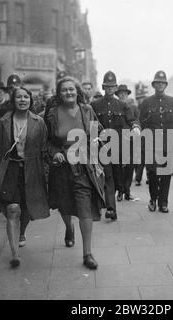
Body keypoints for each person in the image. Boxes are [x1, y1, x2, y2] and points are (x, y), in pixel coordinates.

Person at [46, 76, 106, 270]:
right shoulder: (53, 113)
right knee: (64, 204)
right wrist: (54, 153)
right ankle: (68, 228)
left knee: (84, 207)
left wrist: (96, 153)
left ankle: (87, 253)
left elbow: (98, 134)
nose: (68, 93)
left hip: (83, 166)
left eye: (71, 89)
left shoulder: (87, 110)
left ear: (77, 91)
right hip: (62, 168)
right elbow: (47, 140)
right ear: (59, 93)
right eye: (64, 90)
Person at [0, 87, 50, 268]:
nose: (23, 100)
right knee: (13, 209)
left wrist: (46, 173)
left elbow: (44, 150)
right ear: (13, 100)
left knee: (26, 208)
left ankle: (22, 231)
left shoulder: (38, 122)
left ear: (30, 100)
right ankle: (14, 253)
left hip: (32, 169)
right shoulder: (4, 121)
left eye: (26, 97)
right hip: (10, 168)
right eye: (19, 97)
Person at [91, 71, 140, 220]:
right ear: (103, 87)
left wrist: (136, 127)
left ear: (116, 87)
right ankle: (110, 208)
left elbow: (132, 120)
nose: (110, 89)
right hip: (102, 147)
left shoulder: (123, 105)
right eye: (107, 86)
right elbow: (92, 124)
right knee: (108, 177)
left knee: (118, 178)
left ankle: (115, 200)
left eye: (112, 86)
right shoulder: (94, 105)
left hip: (118, 147)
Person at [139, 71, 173, 213]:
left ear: (165, 85)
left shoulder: (172, 101)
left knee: (166, 173)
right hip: (151, 143)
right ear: (154, 85)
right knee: (152, 173)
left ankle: (163, 202)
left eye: (162, 83)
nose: (160, 85)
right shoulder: (146, 102)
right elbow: (141, 122)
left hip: (168, 142)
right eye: (157, 83)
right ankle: (153, 199)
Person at [114, 84, 140, 201]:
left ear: (128, 94)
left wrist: (137, 129)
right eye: (120, 93)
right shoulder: (115, 107)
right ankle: (120, 190)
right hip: (117, 139)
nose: (123, 95)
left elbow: (137, 121)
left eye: (125, 93)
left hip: (131, 140)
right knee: (119, 166)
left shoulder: (133, 107)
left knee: (130, 166)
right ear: (118, 95)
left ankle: (127, 191)